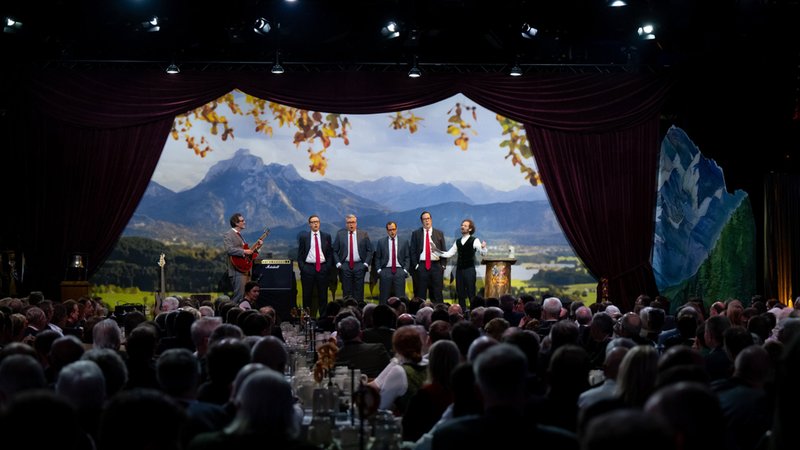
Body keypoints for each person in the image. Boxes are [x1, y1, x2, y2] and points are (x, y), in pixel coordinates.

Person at [435, 219, 487, 310]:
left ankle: (474, 313)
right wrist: (436, 251)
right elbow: (449, 254)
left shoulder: (474, 240)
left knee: (471, 293)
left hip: (469, 270)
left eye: (465, 226)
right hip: (459, 271)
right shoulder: (457, 241)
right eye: (462, 225)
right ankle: (461, 313)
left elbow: (483, 253)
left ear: (470, 229)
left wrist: (483, 247)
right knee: (460, 293)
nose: (462, 227)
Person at [297, 214, 334, 318]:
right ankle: (306, 320)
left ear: (319, 223)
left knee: (323, 296)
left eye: (317, 221)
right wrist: (303, 268)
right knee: (306, 296)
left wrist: (327, 267)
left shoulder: (326, 236)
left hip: (323, 268)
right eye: (313, 222)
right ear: (309, 224)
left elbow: (330, 254)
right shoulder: (304, 237)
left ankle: (323, 319)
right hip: (308, 269)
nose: (315, 223)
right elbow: (300, 255)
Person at [223, 213, 263, 305]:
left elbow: (249, 254)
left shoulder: (240, 235)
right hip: (237, 271)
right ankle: (232, 315)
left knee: (245, 298)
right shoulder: (228, 234)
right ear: (236, 223)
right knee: (238, 297)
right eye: (242, 221)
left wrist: (257, 247)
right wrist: (245, 252)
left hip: (245, 270)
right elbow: (229, 250)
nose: (244, 222)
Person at [333, 214, 373, 303]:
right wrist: (339, 264)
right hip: (345, 266)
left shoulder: (363, 234)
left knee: (359, 291)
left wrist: (365, 264)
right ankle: (347, 311)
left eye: (353, 222)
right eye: (349, 222)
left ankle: (359, 312)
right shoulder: (340, 234)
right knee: (346, 291)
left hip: (360, 265)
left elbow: (369, 251)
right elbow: (335, 251)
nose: (351, 224)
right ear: (346, 224)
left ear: (356, 223)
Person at [410, 211, 447, 303]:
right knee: (420, 294)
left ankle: (438, 314)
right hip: (421, 266)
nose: (427, 221)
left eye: (428, 218)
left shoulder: (439, 233)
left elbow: (443, 250)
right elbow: (413, 251)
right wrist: (416, 265)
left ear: (431, 220)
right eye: (424, 219)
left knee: (437, 294)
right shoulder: (416, 234)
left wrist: (443, 266)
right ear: (421, 221)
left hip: (436, 266)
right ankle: (419, 315)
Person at [373, 221, 411, 304]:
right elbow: (377, 258)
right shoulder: (381, 242)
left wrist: (404, 270)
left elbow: (407, 257)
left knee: (400, 297)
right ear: (387, 231)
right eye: (390, 230)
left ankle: (400, 315)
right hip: (385, 271)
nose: (392, 231)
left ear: (396, 229)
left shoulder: (404, 242)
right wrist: (379, 270)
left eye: (393, 229)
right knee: (384, 297)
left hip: (399, 271)